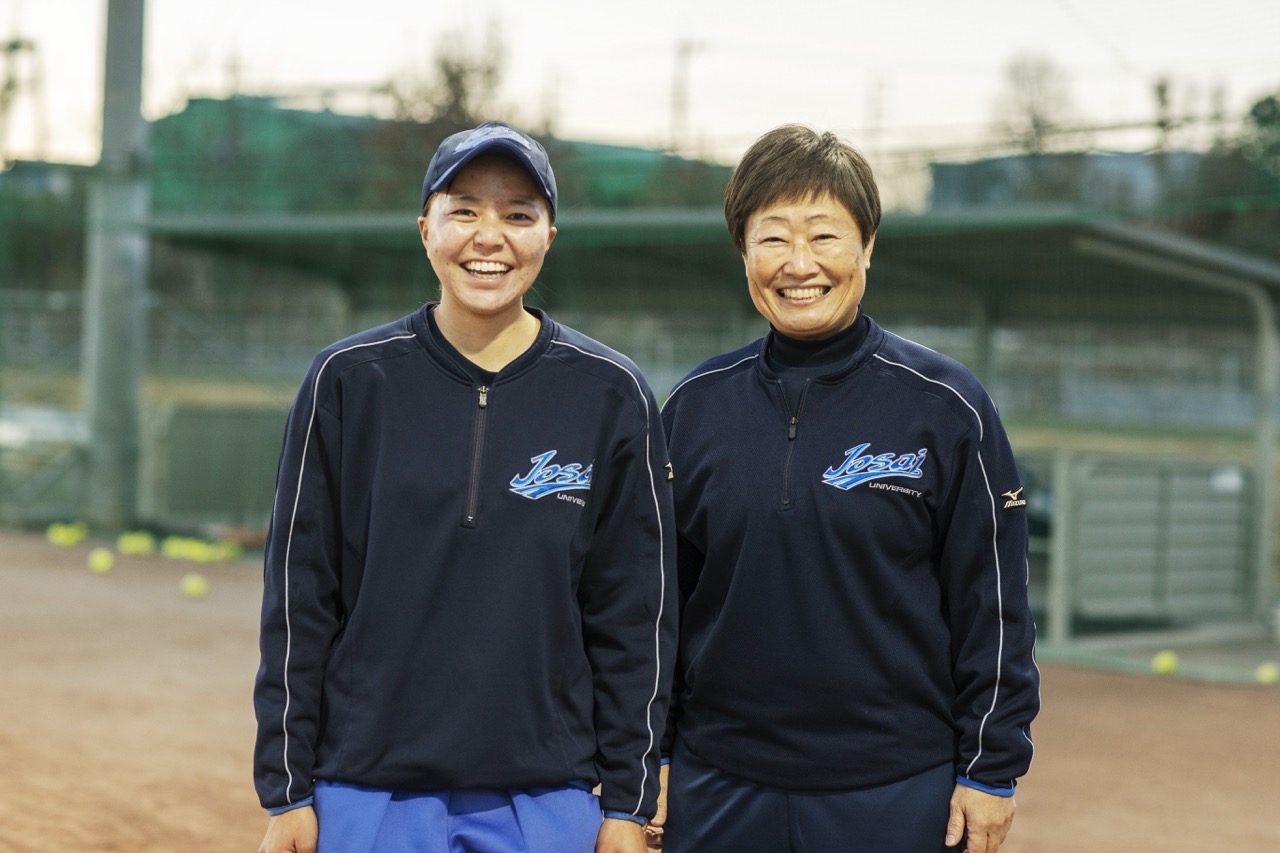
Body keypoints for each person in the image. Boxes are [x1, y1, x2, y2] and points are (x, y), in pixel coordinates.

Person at [254, 121, 677, 853]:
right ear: (426, 230)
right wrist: (287, 788)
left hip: (548, 791)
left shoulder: (612, 392)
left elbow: (635, 614)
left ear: (549, 234)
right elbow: (299, 595)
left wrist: (630, 803)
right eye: (465, 210)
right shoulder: (348, 380)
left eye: (518, 214)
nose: (491, 236)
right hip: (367, 785)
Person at [649, 125, 1039, 853]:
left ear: (866, 247)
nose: (799, 264)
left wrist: (991, 768)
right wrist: (654, 758)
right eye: (772, 239)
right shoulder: (695, 406)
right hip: (718, 782)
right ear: (744, 252)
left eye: (824, 235)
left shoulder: (945, 405)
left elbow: (994, 604)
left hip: (896, 787)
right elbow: (659, 605)